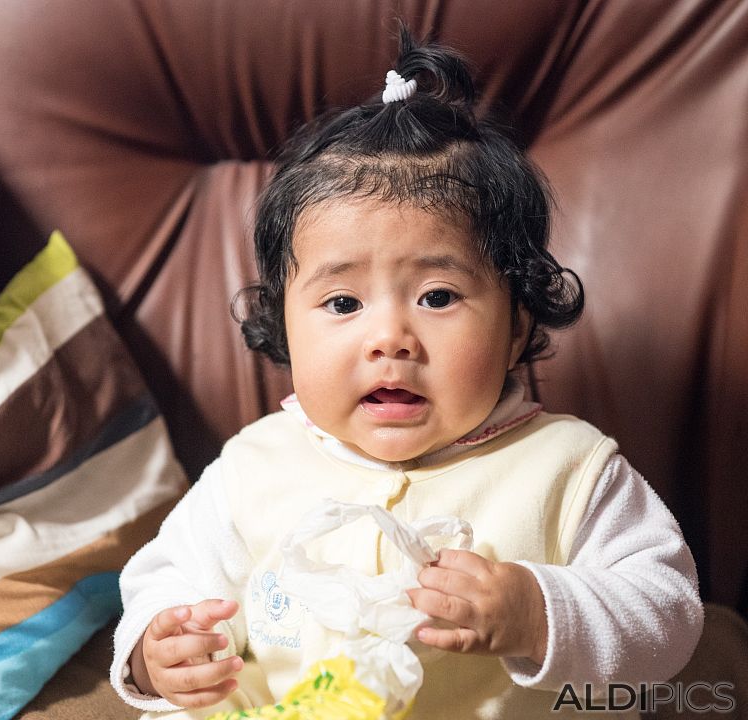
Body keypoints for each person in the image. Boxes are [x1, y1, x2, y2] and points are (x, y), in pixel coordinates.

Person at [110, 25, 703, 719]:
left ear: (517, 325)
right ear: (284, 326)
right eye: (341, 302)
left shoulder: (571, 470)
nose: (390, 337)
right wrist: (158, 650)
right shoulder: (251, 470)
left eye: (438, 297)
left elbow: (667, 614)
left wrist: (537, 612)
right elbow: (164, 579)